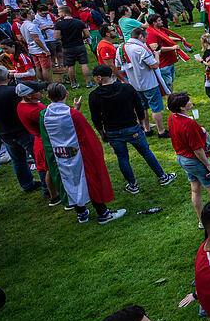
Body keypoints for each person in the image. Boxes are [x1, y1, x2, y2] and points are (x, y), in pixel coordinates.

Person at [40, 82, 125, 225]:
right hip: (79, 154)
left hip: (59, 155)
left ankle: (81, 212)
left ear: (48, 97)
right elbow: (87, 135)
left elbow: (47, 136)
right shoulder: (73, 115)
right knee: (88, 180)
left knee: (69, 182)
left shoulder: (43, 115)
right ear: (66, 94)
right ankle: (103, 213)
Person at [88, 64, 175, 194]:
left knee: (122, 158)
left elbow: (96, 118)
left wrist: (102, 134)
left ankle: (133, 184)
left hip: (112, 131)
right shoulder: (127, 88)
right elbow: (139, 107)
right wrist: (141, 123)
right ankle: (162, 176)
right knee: (146, 152)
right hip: (131, 127)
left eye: (94, 77)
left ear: (99, 78)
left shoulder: (94, 95)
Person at [0, 66, 40, 192]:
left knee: (17, 160)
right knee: (38, 159)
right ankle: (47, 187)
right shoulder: (12, 92)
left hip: (3, 132)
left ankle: (27, 184)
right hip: (21, 130)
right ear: (7, 76)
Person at [166, 91, 210, 224]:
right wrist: (208, 165)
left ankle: (202, 221)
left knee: (196, 189)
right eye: (188, 101)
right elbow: (197, 149)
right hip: (195, 160)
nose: (191, 102)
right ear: (182, 107)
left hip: (182, 158)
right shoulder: (188, 124)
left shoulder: (172, 118)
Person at [121, 27, 169, 138]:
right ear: (141, 37)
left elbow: (119, 66)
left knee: (142, 108)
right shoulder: (141, 48)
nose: (146, 39)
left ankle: (146, 130)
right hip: (150, 83)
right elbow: (154, 65)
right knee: (156, 108)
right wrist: (157, 55)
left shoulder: (121, 48)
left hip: (134, 84)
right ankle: (161, 131)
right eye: (145, 37)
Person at [53, 6, 93, 89]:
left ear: (64, 13)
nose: (58, 14)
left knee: (71, 66)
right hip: (80, 45)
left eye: (59, 13)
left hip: (67, 47)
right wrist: (82, 38)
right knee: (84, 64)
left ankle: (73, 84)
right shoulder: (79, 22)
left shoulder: (59, 24)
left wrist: (64, 38)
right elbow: (87, 34)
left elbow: (56, 37)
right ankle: (89, 83)